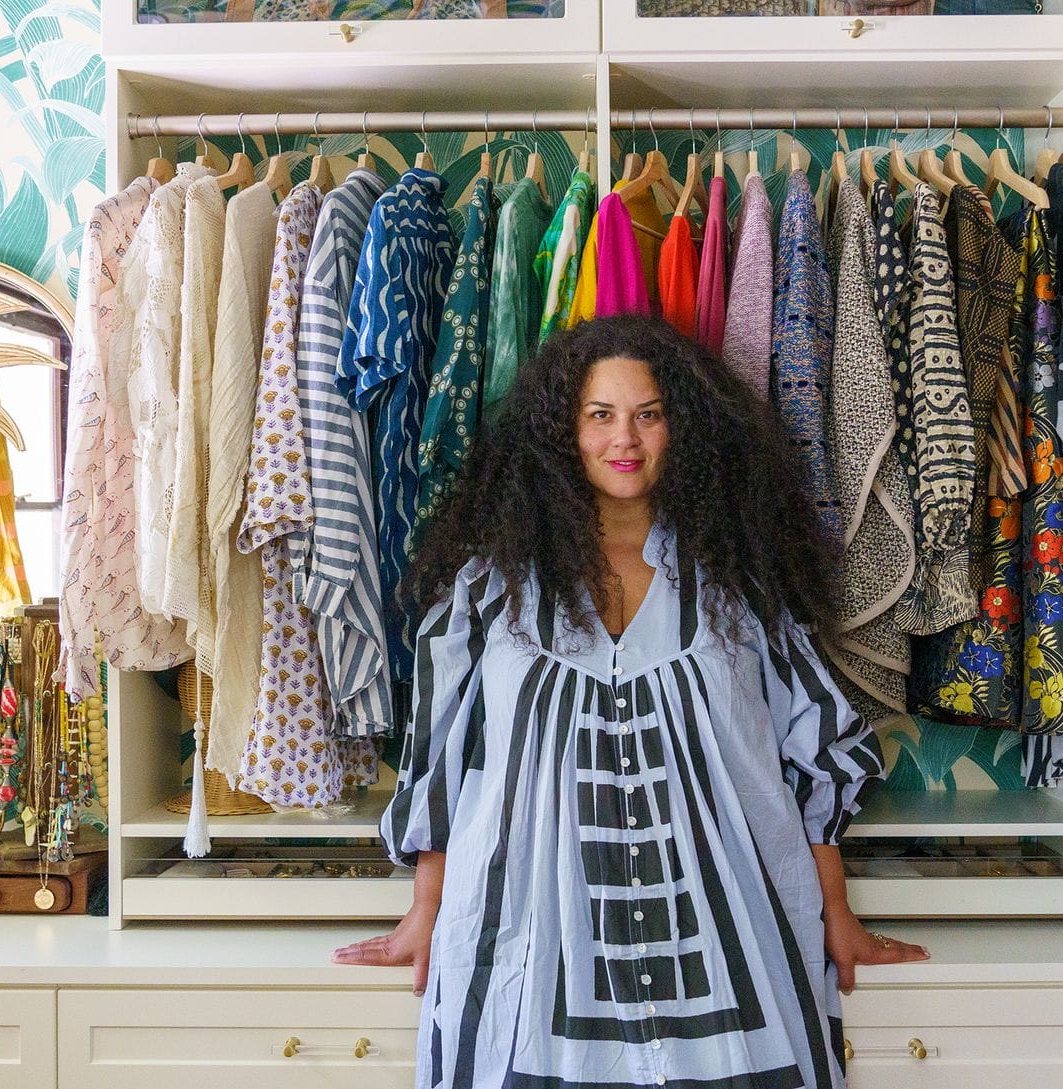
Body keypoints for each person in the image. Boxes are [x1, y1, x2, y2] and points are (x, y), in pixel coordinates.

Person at [334, 316, 928, 1087]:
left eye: (649, 414)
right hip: (535, 940)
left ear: (684, 428)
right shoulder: (491, 592)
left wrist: (836, 914)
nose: (626, 438)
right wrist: (426, 907)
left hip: (730, 949)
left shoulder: (739, 588)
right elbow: (442, 764)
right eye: (600, 415)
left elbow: (814, 754)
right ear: (561, 431)